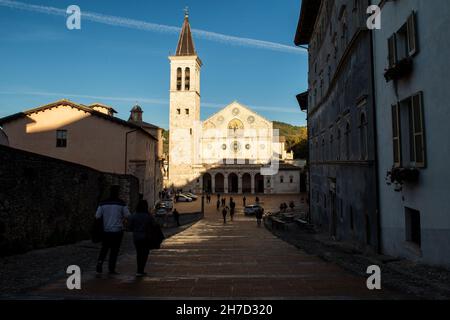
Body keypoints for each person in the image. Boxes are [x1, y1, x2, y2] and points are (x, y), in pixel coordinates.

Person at [95, 185, 130, 275]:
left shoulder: (103, 203)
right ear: (118, 193)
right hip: (117, 230)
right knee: (114, 250)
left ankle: (99, 263)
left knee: (104, 248)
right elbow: (127, 215)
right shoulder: (121, 203)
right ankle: (111, 268)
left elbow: (97, 216)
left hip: (106, 230)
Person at [127, 200, 154, 277]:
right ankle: (141, 269)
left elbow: (129, 227)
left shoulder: (134, 215)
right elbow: (154, 224)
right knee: (145, 253)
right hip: (146, 237)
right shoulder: (148, 216)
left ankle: (139, 270)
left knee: (139, 253)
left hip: (136, 237)